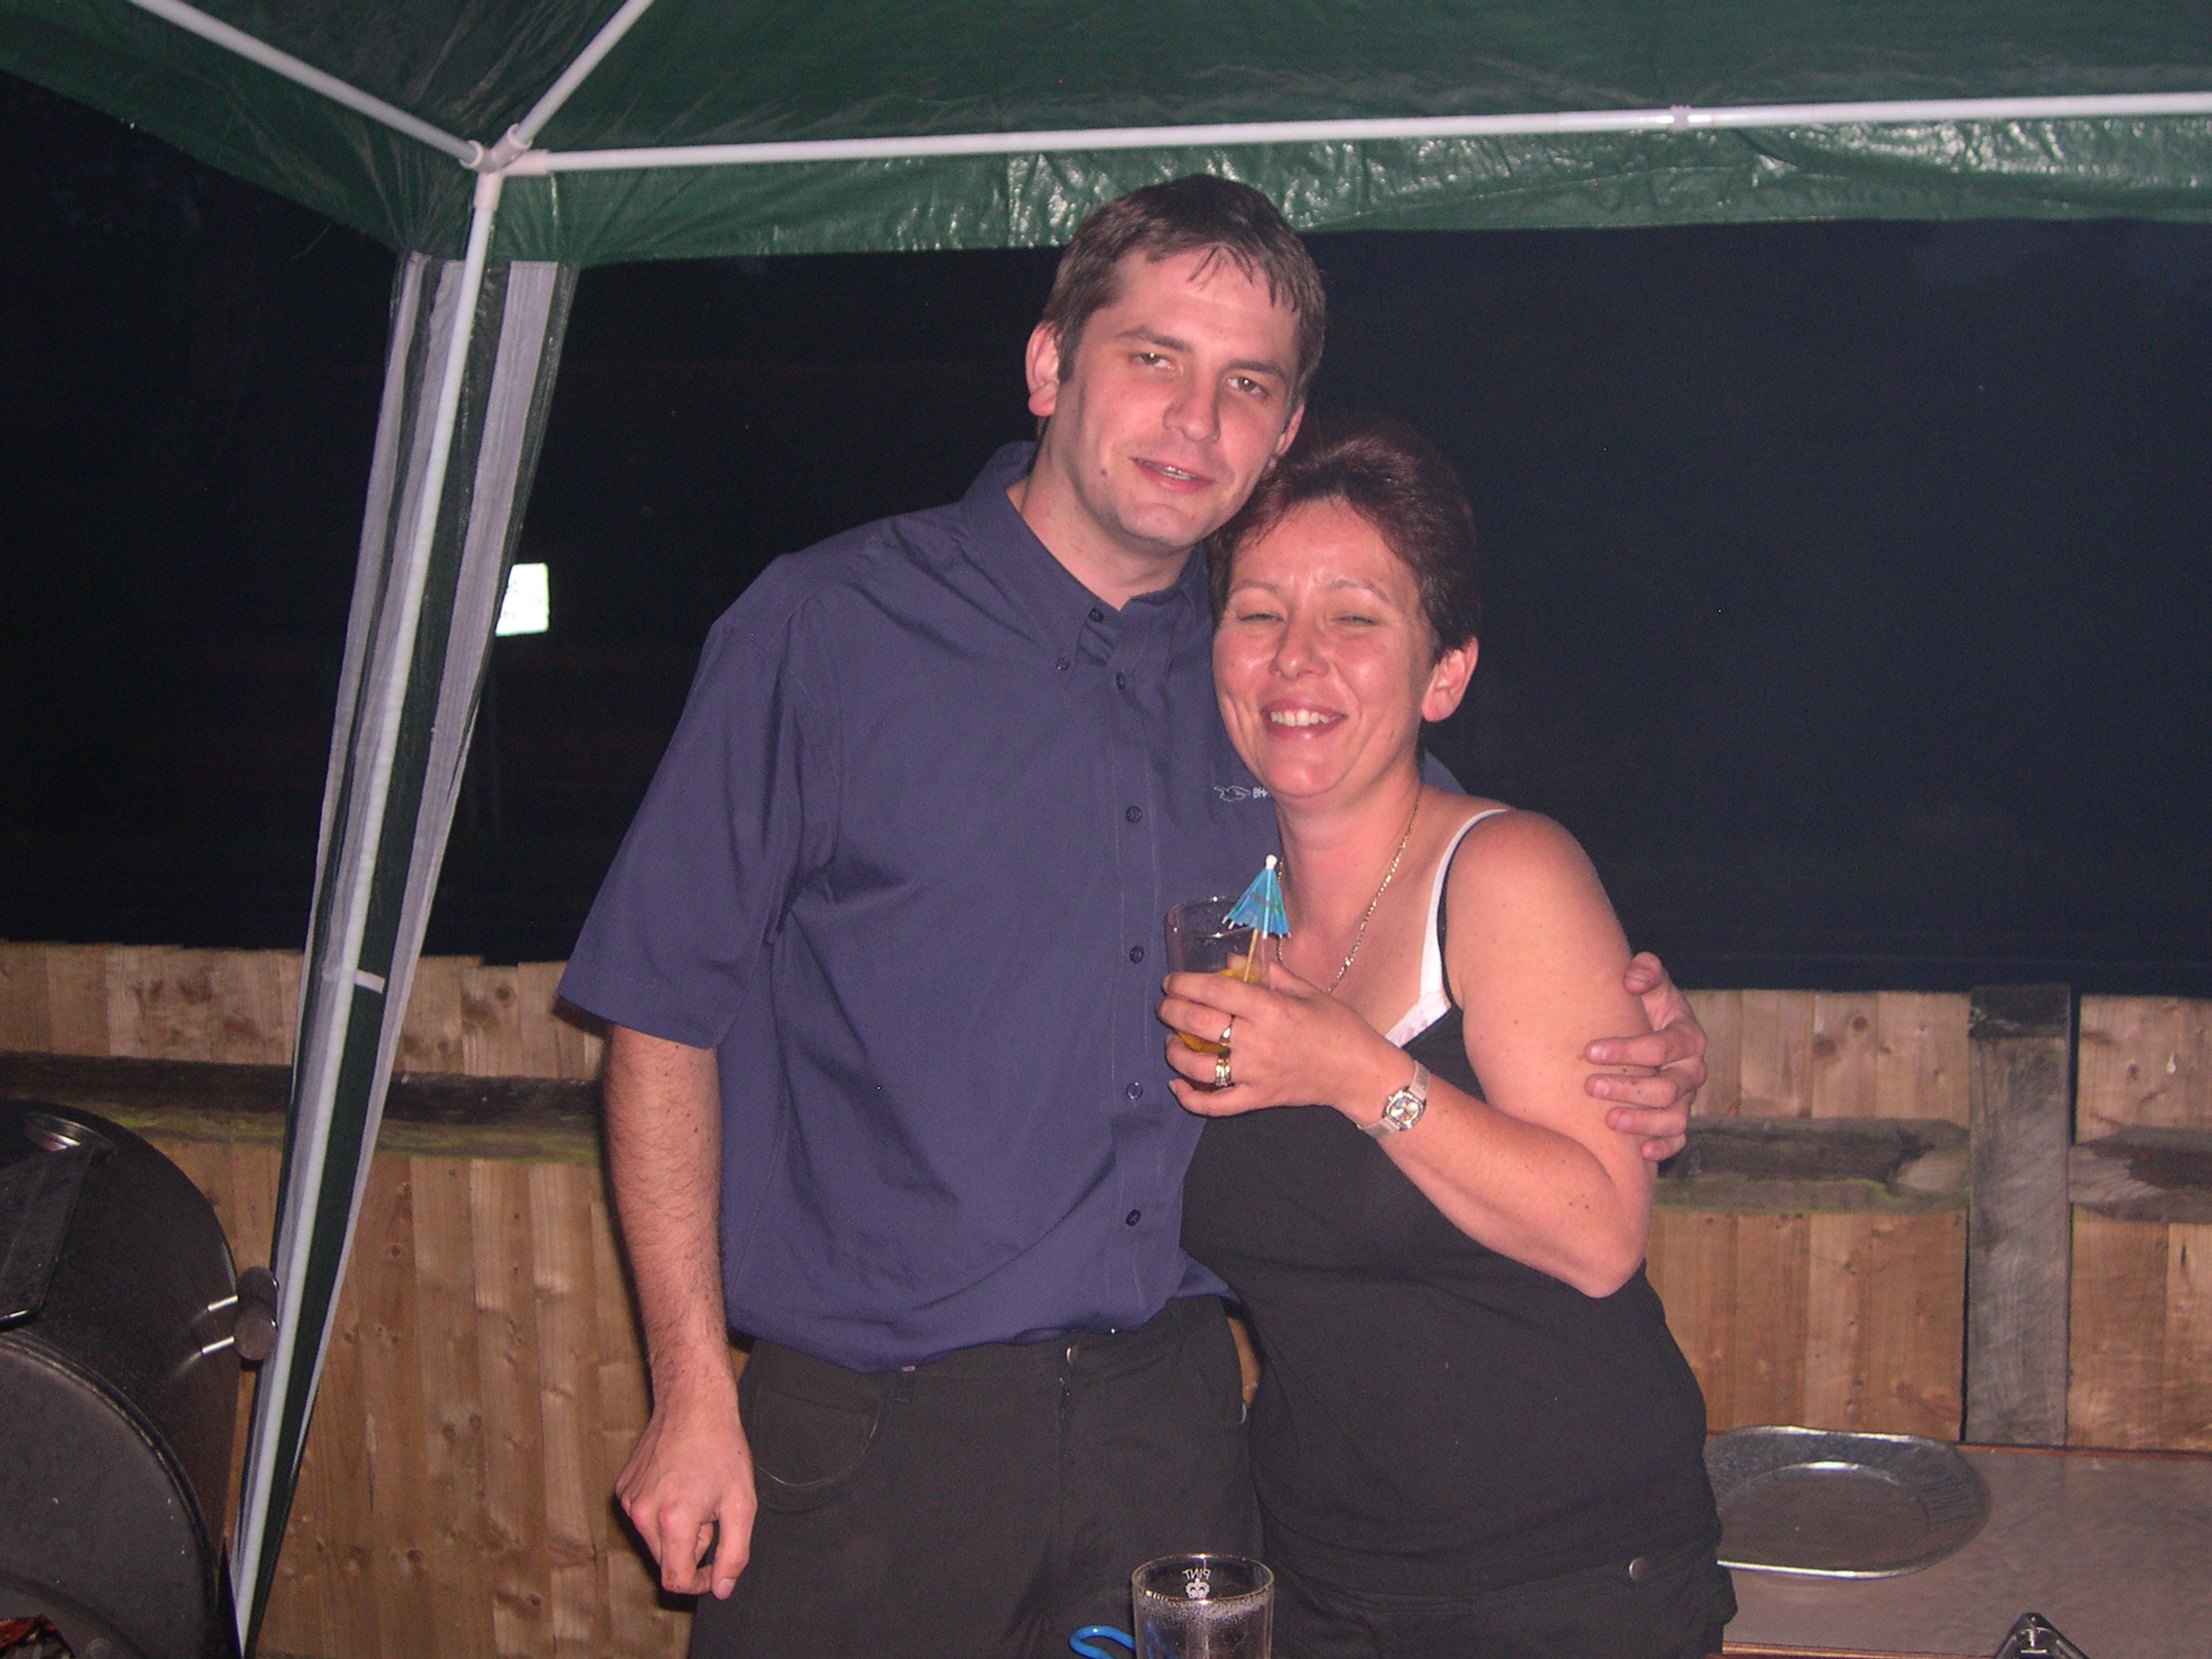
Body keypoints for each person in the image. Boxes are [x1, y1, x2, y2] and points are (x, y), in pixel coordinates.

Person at [558, 176, 1708, 1659]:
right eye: (1154, 357)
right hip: (869, 1442)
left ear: (1284, 430)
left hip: (1173, 1439)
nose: (1194, 420)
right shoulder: (827, 631)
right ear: (1050, 366)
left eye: (1248, 385)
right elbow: (661, 1012)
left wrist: (1646, 1037)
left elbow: (1459, 896)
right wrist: (688, 1389)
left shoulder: (1259, 688)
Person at [1161, 413, 1732, 1659]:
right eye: (1257, 613)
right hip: (1315, 1573)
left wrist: (1356, 1073)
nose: (1295, 658)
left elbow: (1599, 1235)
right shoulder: (1229, 916)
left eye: (1354, 618)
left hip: (1565, 1584)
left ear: (1444, 675)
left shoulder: (1506, 871)